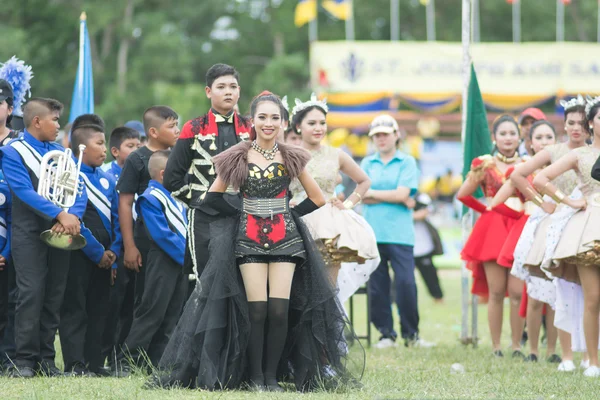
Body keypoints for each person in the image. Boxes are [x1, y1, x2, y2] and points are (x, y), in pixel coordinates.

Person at [153, 92, 362, 392]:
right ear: (253, 121)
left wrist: (287, 212)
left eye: (275, 118)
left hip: (286, 241)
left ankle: (272, 377)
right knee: (257, 310)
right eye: (262, 117)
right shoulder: (238, 154)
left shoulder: (292, 156)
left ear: (283, 122)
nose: (269, 123)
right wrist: (243, 210)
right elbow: (212, 198)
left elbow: (317, 198)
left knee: (279, 311)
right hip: (248, 240)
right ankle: (254, 378)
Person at [0, 98, 88, 377]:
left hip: (61, 231)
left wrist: (71, 215)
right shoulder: (13, 151)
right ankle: (24, 359)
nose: (59, 126)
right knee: (30, 293)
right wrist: (60, 215)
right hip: (27, 233)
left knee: (54, 294)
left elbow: (78, 188)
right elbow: (23, 192)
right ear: (37, 121)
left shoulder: (62, 153)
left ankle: (47, 359)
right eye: (55, 120)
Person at [510, 97, 588, 371]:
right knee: (555, 290)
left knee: (590, 293)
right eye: (571, 123)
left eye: (581, 122)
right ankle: (554, 352)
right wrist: (542, 200)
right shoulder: (555, 151)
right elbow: (519, 175)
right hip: (557, 222)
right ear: (564, 126)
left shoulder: (593, 152)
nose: (576, 128)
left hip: (590, 223)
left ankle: (588, 355)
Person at [163, 64, 251, 283]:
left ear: (239, 91)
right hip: (205, 219)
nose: (228, 91)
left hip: (245, 215)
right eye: (221, 87)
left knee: (246, 282)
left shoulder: (251, 128)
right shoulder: (194, 128)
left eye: (233, 86)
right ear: (208, 92)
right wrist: (198, 201)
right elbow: (172, 177)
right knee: (206, 283)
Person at [535, 96, 600, 377]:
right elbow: (539, 179)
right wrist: (569, 201)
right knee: (593, 297)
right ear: (591, 124)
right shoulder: (580, 155)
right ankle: (592, 361)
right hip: (588, 226)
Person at [490, 120, 564, 364]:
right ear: (530, 143)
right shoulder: (522, 170)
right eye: (539, 138)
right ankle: (532, 350)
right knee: (531, 294)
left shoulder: (564, 167)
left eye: (548, 137)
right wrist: (525, 212)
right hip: (533, 233)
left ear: (556, 141)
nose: (544, 142)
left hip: (561, 231)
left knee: (556, 292)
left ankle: (553, 350)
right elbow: (497, 202)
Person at [289, 93, 378, 288]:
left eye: (322, 123)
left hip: (328, 224)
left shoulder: (336, 154)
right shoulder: (289, 155)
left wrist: (347, 204)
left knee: (328, 288)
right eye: (312, 123)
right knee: (297, 287)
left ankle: (328, 318)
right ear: (298, 127)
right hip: (296, 220)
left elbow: (363, 181)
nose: (318, 128)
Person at [114, 150, 187, 375]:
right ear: (164, 174)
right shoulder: (150, 197)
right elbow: (162, 235)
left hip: (180, 263)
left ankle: (158, 362)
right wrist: (188, 257)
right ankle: (128, 360)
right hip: (164, 260)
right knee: (152, 311)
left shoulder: (177, 196)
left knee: (172, 314)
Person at [361, 114, 431, 349]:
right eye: (376, 135)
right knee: (377, 286)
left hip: (401, 235)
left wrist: (376, 195)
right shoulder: (367, 163)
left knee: (406, 284)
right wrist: (396, 196)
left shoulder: (407, 162)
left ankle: (411, 334)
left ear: (396, 135)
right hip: (373, 233)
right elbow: (365, 196)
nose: (380, 139)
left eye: (385, 134)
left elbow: (403, 194)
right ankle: (386, 334)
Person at [59, 114, 121, 376]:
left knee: (100, 309)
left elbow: (118, 219)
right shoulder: (69, 175)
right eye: (99, 143)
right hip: (79, 252)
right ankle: (75, 363)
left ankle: (95, 361)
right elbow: (74, 219)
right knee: (75, 308)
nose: (105, 149)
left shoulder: (107, 179)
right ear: (81, 147)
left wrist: (114, 252)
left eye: (105, 143)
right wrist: (97, 252)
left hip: (106, 256)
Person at [458, 115, 525, 357]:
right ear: (494, 138)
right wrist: (486, 208)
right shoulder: (484, 165)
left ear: (520, 137)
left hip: (521, 226)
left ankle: (517, 345)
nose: (508, 138)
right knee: (496, 291)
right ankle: (497, 346)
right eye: (503, 133)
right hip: (493, 230)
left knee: (518, 292)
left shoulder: (529, 163)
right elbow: (463, 194)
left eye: (512, 133)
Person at [117, 106, 179, 313]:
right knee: (145, 298)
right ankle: (135, 346)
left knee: (174, 301)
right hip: (147, 238)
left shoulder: (179, 156)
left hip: (176, 236)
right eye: (172, 126)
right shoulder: (137, 159)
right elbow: (125, 203)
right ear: (153, 132)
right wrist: (130, 246)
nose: (177, 131)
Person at [99, 126, 141, 370]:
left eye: (138, 146)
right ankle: (103, 356)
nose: (136, 151)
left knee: (130, 307)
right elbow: (114, 217)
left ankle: (120, 358)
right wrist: (115, 255)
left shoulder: (142, 174)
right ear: (115, 151)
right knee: (112, 307)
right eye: (130, 147)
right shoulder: (107, 176)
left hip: (136, 246)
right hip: (117, 248)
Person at [413, 192, 444, 303]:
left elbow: (425, 213)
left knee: (430, 276)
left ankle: (438, 298)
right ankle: (393, 301)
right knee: (400, 279)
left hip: (423, 248)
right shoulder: (399, 197)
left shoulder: (422, 197)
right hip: (407, 246)